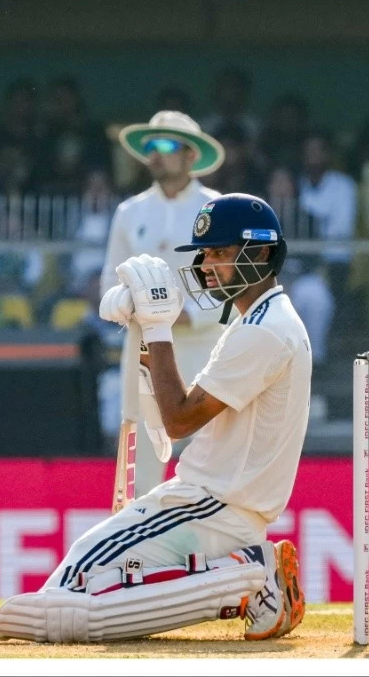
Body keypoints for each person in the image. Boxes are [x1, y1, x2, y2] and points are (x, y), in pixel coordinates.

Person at [0, 193, 311, 644]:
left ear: (259, 253)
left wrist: (157, 326)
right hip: (216, 506)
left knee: (80, 572)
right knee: (82, 581)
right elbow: (178, 409)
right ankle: (246, 577)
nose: (206, 266)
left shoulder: (264, 330)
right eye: (205, 254)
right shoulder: (256, 321)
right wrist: (147, 325)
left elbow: (180, 420)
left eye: (219, 253)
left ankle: (252, 575)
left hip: (212, 507)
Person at [101, 111, 228, 497]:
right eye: (151, 147)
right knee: (139, 464)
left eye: (168, 145)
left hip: (205, 351)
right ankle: (136, 552)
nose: (156, 155)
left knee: (212, 460)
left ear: (191, 155)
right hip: (144, 354)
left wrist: (189, 315)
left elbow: (232, 284)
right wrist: (139, 310)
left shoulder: (218, 208)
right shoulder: (130, 212)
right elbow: (110, 286)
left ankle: (208, 551)